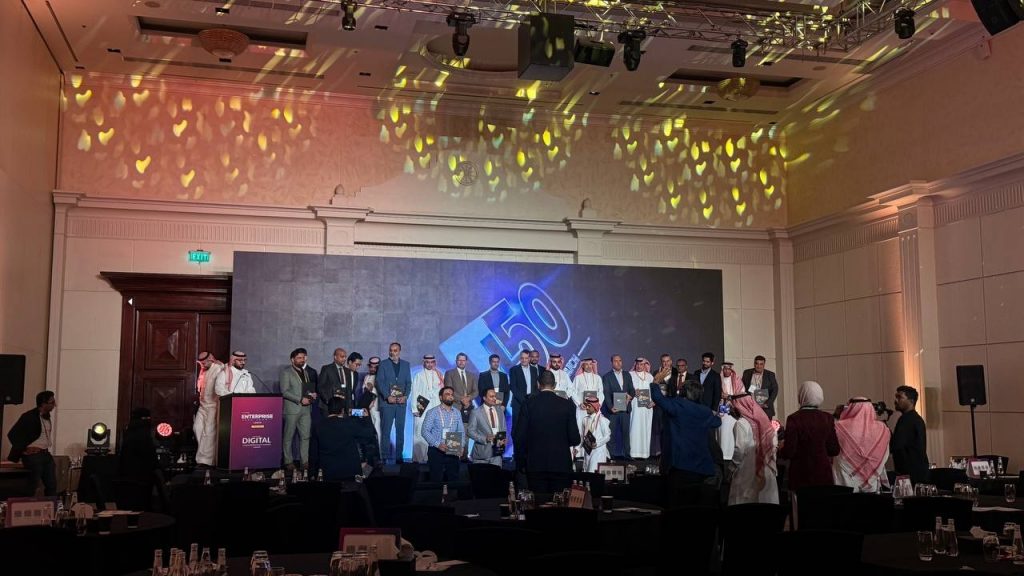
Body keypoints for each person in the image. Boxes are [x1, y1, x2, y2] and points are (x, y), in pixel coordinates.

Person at [649, 380, 721, 505]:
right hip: (701, 466)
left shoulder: (678, 405)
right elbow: (717, 422)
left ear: (683, 392)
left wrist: (655, 383)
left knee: (677, 503)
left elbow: (658, 398)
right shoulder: (704, 411)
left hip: (680, 464)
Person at [514, 371, 581, 493]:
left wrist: (521, 462)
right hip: (561, 465)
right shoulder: (568, 405)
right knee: (560, 503)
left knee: (538, 503)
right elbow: (575, 439)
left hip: (535, 465)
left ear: (538, 384)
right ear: (555, 385)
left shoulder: (528, 404)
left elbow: (519, 437)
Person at [779, 381, 840, 491]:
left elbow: (789, 452)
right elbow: (834, 450)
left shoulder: (794, 418)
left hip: (800, 475)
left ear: (801, 396)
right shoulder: (828, 418)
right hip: (823, 474)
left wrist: (780, 449)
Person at [311, 397, 381, 482]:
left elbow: (313, 453)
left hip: (328, 473)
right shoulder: (348, 423)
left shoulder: (318, 426)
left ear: (328, 409)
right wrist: (367, 418)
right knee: (369, 466)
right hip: (350, 473)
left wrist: (312, 474)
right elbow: (369, 433)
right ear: (342, 410)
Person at [728, 390, 779, 505]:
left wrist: (732, 468)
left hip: (747, 469)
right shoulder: (764, 421)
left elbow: (739, 449)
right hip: (765, 469)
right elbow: (773, 446)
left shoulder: (741, 423)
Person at [6, 391, 58, 496]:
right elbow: (12, 434)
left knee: (52, 485)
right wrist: (24, 449)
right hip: (34, 456)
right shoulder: (29, 416)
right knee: (32, 486)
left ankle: (51, 505)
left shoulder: (47, 417)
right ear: (43, 403)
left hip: (46, 454)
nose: (54, 405)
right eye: (52, 402)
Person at [834, 398, 891, 493]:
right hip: (871, 483)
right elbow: (885, 453)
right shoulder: (883, 428)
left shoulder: (839, 426)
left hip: (845, 480)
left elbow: (833, 450)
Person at [376, 342, 411, 464]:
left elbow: (408, 383)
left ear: (399, 351)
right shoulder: (383, 364)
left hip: (401, 403)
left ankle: (399, 456)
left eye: (395, 350)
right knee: (386, 430)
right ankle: (384, 457)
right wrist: (387, 396)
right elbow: (379, 382)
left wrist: (405, 396)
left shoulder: (406, 365)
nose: (392, 352)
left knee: (400, 430)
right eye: (391, 350)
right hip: (387, 404)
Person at [281, 348, 316, 469]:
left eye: (303, 358)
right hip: (292, 409)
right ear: (292, 359)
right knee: (288, 437)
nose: (302, 360)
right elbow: (284, 392)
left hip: (306, 409)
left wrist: (312, 394)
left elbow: (306, 389)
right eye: (299, 358)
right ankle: (288, 461)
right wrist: (300, 399)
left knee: (305, 436)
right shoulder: (286, 372)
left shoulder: (305, 372)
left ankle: (304, 462)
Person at [421, 386, 466, 482]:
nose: (450, 396)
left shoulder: (457, 413)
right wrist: (438, 444)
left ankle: (452, 492)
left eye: (452, 394)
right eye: (447, 394)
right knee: (436, 480)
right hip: (436, 451)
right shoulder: (432, 412)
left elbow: (461, 431)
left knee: (453, 480)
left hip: (453, 449)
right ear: (441, 397)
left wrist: (462, 446)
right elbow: (424, 431)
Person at [891, 385, 929, 484]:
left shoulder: (907, 420)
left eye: (899, 397)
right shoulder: (915, 419)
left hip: (911, 476)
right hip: (917, 473)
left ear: (911, 401)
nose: (896, 401)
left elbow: (895, 445)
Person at [411, 355, 444, 463]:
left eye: (431, 362)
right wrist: (414, 408)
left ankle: (433, 457)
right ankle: (419, 458)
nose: (429, 364)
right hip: (422, 404)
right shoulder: (419, 375)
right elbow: (414, 391)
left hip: (435, 404)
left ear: (434, 363)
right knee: (419, 430)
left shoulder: (438, 375)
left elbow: (442, 391)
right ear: (424, 363)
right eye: (427, 362)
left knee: (434, 430)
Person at [194, 352, 225, 467]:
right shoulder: (203, 370)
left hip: (213, 406)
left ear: (210, 360)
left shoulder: (218, 369)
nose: (202, 365)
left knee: (208, 433)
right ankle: (207, 457)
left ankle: (205, 461)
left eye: (204, 363)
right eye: (201, 363)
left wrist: (221, 365)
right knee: (197, 428)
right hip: (203, 406)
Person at [601, 355, 633, 460]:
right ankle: (610, 455)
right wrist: (610, 407)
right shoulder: (607, 376)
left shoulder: (627, 374)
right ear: (612, 363)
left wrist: (630, 396)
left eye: (620, 360)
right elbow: (606, 393)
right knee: (611, 433)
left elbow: (632, 390)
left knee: (626, 433)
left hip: (625, 410)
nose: (618, 363)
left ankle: (627, 455)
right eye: (616, 361)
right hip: (613, 410)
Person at [119, 407, 159, 487]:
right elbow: (150, 456)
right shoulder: (144, 433)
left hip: (127, 477)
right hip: (142, 478)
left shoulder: (129, 432)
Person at [467, 388, 507, 466]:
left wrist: (504, 438)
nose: (494, 398)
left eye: (495, 396)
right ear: (484, 398)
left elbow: (503, 428)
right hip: (482, 454)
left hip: (497, 453)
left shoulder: (500, 411)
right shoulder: (476, 412)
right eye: (491, 396)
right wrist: (485, 438)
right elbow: (470, 431)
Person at [628, 357, 654, 460]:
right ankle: (633, 453)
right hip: (635, 407)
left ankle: (644, 453)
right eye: (638, 364)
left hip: (647, 408)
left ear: (645, 365)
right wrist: (633, 392)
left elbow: (653, 392)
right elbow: (626, 389)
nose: (639, 366)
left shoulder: (650, 377)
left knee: (645, 428)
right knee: (634, 427)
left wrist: (653, 402)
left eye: (642, 364)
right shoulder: (630, 375)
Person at [319, 348, 358, 416]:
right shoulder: (326, 369)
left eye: (345, 357)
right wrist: (328, 401)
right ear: (335, 357)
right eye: (342, 357)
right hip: (328, 407)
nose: (344, 359)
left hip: (343, 408)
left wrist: (349, 407)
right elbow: (320, 387)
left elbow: (349, 390)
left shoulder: (348, 371)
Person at [575, 397, 610, 473]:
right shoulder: (585, 419)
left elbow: (607, 436)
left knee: (593, 473)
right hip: (587, 451)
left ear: (595, 407)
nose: (586, 408)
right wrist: (577, 448)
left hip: (598, 452)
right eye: (586, 405)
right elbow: (582, 436)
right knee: (587, 473)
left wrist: (597, 443)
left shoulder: (602, 419)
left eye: (589, 406)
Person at [443, 352, 478, 424]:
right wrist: (463, 399)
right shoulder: (449, 373)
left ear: (466, 362)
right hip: (455, 406)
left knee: (468, 428)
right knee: (454, 429)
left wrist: (468, 398)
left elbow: (476, 391)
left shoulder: (472, 375)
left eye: (463, 360)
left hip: (469, 407)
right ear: (456, 361)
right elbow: (449, 390)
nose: (461, 362)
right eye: (459, 360)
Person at [355, 355, 381, 440]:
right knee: (368, 430)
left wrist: (372, 392)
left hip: (376, 408)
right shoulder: (366, 377)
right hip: (366, 408)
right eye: (371, 367)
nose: (372, 369)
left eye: (375, 367)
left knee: (378, 429)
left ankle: (379, 448)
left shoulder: (382, 377)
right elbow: (364, 392)